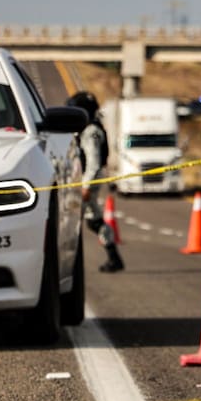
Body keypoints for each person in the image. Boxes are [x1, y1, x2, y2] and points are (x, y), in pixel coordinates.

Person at [66, 91, 125, 273]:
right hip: (88, 180)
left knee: (70, 219)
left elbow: (93, 161)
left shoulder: (91, 131)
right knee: (93, 220)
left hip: (88, 180)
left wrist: (85, 186)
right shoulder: (91, 128)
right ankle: (114, 257)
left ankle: (70, 262)